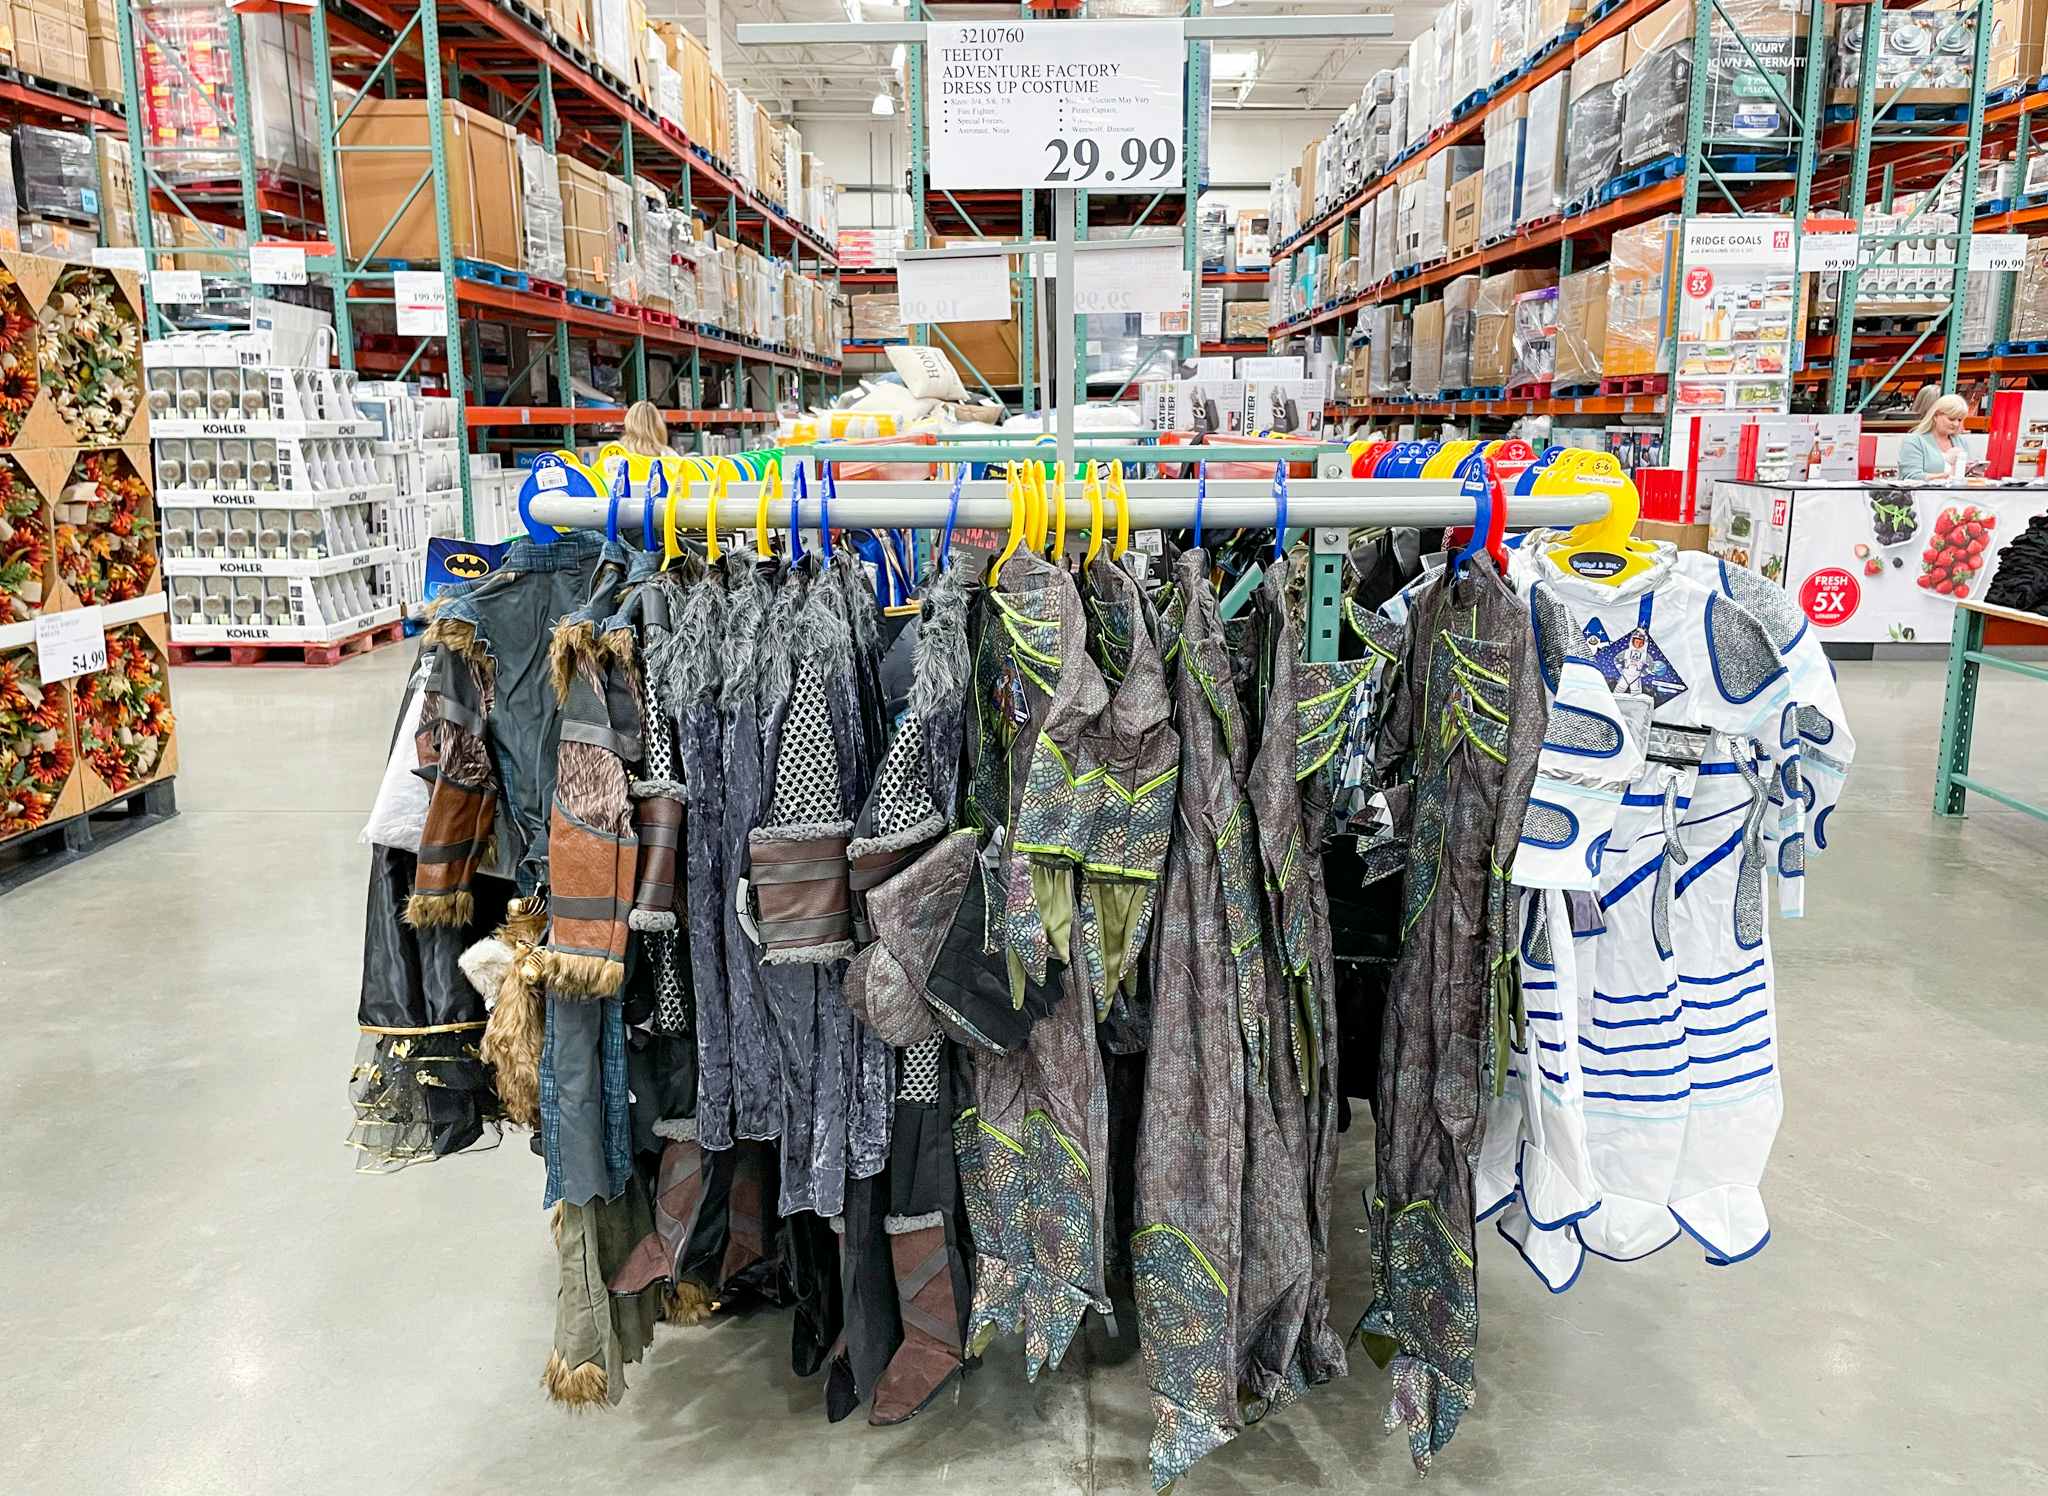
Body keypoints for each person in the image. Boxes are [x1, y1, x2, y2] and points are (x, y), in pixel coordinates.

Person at [1897, 392, 1968, 480]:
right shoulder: (1914, 440)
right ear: (1935, 416)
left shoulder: (1961, 441)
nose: (1956, 424)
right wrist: (1944, 476)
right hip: (1920, 493)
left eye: (1959, 420)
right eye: (1951, 419)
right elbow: (1910, 476)